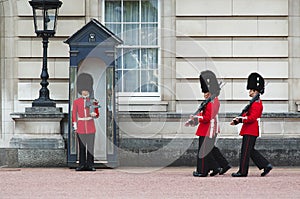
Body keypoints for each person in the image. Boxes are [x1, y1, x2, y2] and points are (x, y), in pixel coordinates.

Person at [185, 70, 230, 177]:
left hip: (209, 129)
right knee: (208, 150)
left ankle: (203, 171)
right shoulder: (209, 102)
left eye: (207, 93)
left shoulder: (213, 102)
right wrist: (192, 121)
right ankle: (217, 167)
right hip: (205, 128)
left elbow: (206, 117)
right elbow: (202, 114)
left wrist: (196, 117)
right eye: (205, 93)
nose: (205, 95)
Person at [230, 72, 273, 177]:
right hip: (249, 129)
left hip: (251, 130)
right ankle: (265, 165)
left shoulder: (257, 104)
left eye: (251, 90)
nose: (249, 92)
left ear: (255, 91)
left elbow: (252, 118)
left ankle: (243, 172)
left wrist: (241, 119)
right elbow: (246, 114)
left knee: (245, 151)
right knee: (250, 151)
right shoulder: (253, 103)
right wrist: (237, 120)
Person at [72, 73, 100, 171]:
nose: (85, 92)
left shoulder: (93, 101)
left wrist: (94, 114)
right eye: (83, 90)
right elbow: (74, 114)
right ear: (81, 91)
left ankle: (90, 165)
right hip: (80, 126)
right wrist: (75, 125)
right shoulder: (76, 101)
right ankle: (82, 165)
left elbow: (97, 113)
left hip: (90, 126)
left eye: (86, 90)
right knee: (82, 147)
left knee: (90, 148)